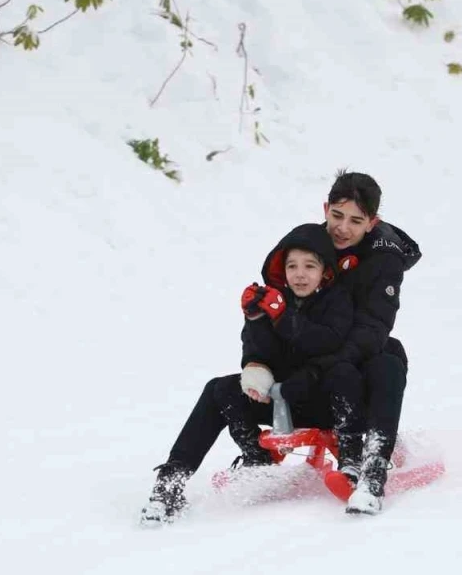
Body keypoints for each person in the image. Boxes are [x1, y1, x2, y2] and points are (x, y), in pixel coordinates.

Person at [140, 223, 363, 525]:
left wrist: (283, 316)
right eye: (292, 266)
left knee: (344, 373)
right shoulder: (272, 301)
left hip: (323, 401)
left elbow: (327, 342)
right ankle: (174, 481)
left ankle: (353, 460)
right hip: (282, 401)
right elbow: (258, 355)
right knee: (218, 389)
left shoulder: (337, 300)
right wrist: (257, 320)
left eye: (309, 266)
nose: (300, 274)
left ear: (324, 271)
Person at [310, 170, 422, 515]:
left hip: (359, 353)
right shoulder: (311, 243)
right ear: (325, 208)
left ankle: (372, 470)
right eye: (337, 216)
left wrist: (335, 359)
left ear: (373, 222)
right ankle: (257, 459)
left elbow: (376, 324)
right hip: (315, 356)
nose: (343, 228)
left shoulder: (384, 258)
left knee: (389, 358)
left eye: (356, 220)